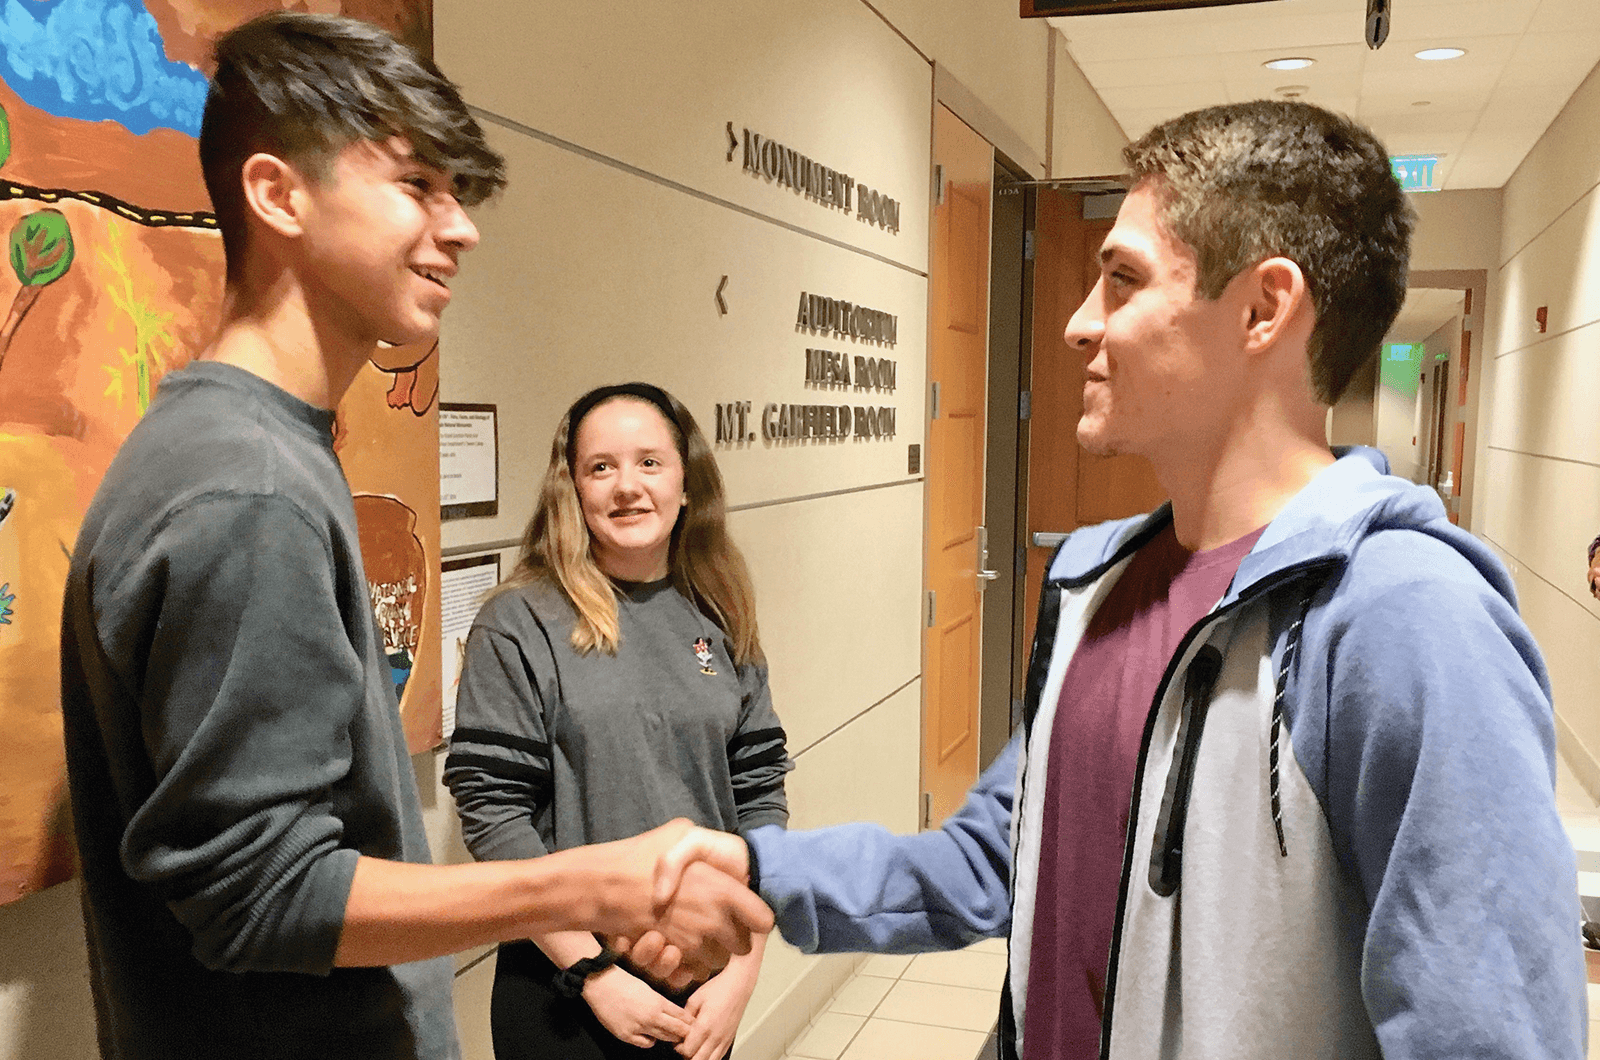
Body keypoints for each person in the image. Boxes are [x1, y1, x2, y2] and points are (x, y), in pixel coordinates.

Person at [648, 100, 1586, 1059]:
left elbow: (1488, 1031)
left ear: (1265, 308)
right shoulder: (1096, 583)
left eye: (1122, 281)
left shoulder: (1405, 622)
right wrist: (761, 871)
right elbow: (998, 862)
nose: (1076, 324)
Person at [59, 16, 768, 1060]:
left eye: (458, 193)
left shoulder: (258, 452)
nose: (461, 227)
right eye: (416, 186)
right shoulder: (247, 489)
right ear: (277, 194)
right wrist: (586, 883)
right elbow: (259, 894)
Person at [445, 383, 790, 1060]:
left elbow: (759, 801)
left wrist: (742, 972)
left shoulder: (721, 614)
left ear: (687, 483)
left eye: (649, 463)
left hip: (703, 981)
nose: (626, 487)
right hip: (561, 990)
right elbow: (494, 816)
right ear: (571, 488)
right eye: (600, 467)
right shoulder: (518, 623)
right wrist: (592, 974)